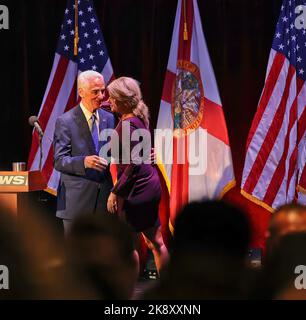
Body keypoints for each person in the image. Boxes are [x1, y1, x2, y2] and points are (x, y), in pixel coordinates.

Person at [106, 77, 168, 275]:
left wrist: (116, 192)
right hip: (149, 185)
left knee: (128, 246)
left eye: (112, 98)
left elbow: (132, 166)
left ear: (123, 101)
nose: (109, 101)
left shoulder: (126, 126)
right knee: (156, 242)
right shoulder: (138, 117)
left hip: (136, 191)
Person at [53, 70, 115, 234]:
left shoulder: (109, 118)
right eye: (95, 91)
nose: (101, 96)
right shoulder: (65, 121)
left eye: (103, 90)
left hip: (105, 202)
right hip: (76, 204)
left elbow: (114, 154)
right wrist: (83, 162)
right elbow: (59, 160)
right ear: (81, 92)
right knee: (77, 257)